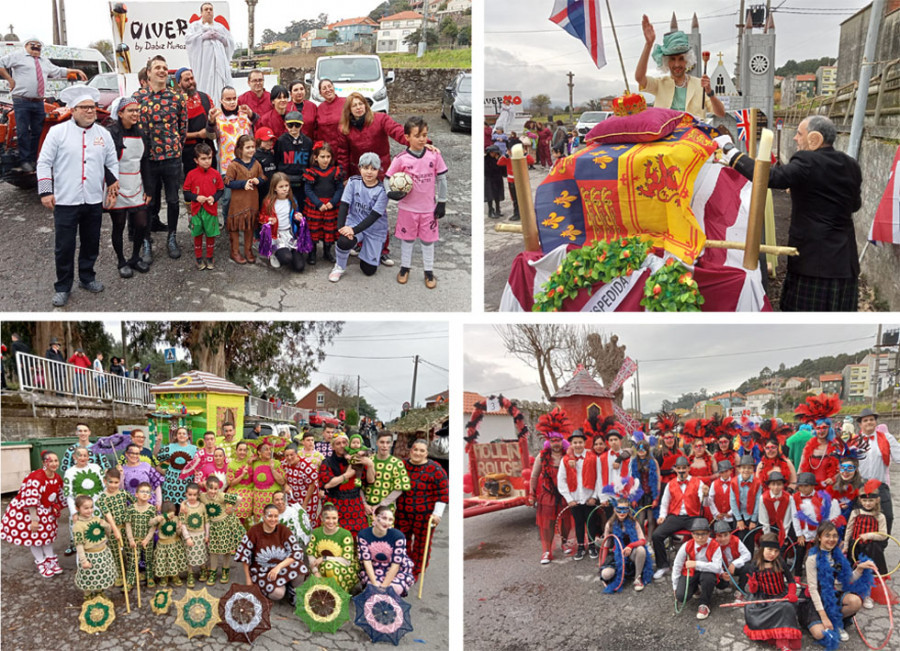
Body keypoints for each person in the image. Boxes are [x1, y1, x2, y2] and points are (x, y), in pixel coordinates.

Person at [722, 115, 862, 311]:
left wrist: (731, 153)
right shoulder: (851, 165)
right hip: (845, 264)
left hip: (813, 264)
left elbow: (770, 178)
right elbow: (855, 205)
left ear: (815, 138)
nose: (795, 138)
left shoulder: (807, 160)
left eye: (799, 133)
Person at [37, 85, 118, 307]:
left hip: (92, 199)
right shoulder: (57, 132)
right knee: (64, 246)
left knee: (91, 242)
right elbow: (44, 163)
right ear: (73, 110)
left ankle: (87, 277)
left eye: (92, 107)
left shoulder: (103, 134)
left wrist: (112, 185)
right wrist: (46, 191)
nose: (90, 111)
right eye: (84, 108)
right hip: (66, 200)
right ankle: (63, 286)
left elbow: (111, 162)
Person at [0, 36, 86, 172]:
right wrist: (10, 80)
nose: (36, 47)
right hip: (22, 100)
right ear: (26, 45)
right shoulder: (18, 56)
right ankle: (24, 161)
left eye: (38, 45)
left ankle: (34, 159)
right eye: (32, 45)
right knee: (22, 131)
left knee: (38, 132)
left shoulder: (44, 61)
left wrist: (76, 71)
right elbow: (1, 64)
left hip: (39, 102)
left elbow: (58, 71)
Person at [134, 55, 187, 259]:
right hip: (147, 160)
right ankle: (146, 241)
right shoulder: (137, 98)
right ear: (148, 72)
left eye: (165, 67)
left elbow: (183, 128)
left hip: (172, 157)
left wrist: (175, 147)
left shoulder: (177, 98)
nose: (162, 71)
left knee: (173, 200)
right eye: (157, 67)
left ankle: (172, 237)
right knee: (148, 201)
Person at [386, 116, 448, 289]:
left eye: (425, 135)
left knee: (428, 241)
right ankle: (405, 268)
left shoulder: (434, 156)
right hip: (407, 209)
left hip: (428, 209)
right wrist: (390, 192)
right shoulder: (401, 159)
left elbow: (442, 179)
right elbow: (387, 178)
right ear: (407, 137)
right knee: (408, 240)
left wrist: (442, 202)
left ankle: (429, 271)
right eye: (417, 135)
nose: (422, 139)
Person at [800, 521, 876, 645]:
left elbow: (849, 579)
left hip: (832, 595)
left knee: (856, 601)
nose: (831, 539)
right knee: (820, 634)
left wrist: (860, 568)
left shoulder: (838, 555)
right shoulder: (812, 558)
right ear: (819, 537)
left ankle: (836, 621)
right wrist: (823, 616)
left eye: (834, 536)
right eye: (827, 535)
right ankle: (825, 620)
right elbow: (813, 589)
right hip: (815, 599)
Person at [634, 16, 725, 119]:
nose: (677, 64)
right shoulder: (660, 84)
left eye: (681, 59)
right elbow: (639, 78)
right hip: (665, 134)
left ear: (687, 60)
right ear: (667, 62)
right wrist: (648, 44)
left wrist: (710, 93)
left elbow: (721, 113)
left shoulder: (700, 85)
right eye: (672, 59)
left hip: (693, 134)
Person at [105, 96, 152, 278]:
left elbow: (145, 162)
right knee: (119, 224)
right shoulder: (111, 133)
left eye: (137, 111)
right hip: (117, 185)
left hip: (136, 184)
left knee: (141, 222)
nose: (135, 114)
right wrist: (110, 185)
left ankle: (135, 257)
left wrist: (148, 188)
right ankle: (121, 261)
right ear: (120, 113)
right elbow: (105, 163)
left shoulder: (141, 133)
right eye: (131, 111)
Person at [0, 451, 66, 578]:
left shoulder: (57, 477)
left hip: (46, 511)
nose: (54, 464)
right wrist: (34, 519)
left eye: (56, 461)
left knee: (47, 537)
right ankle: (41, 562)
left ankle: (50, 560)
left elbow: (59, 494)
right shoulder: (36, 478)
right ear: (44, 463)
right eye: (50, 461)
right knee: (35, 539)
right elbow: (31, 500)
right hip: (30, 512)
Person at [328, 152, 390, 283]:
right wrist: (342, 228)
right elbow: (344, 205)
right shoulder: (353, 182)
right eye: (366, 168)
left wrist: (353, 231)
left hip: (375, 228)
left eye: (373, 169)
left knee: (368, 270)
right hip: (355, 221)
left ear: (379, 170)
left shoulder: (383, 190)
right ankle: (339, 266)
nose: (369, 172)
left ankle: (365, 249)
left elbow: (374, 216)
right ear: (359, 168)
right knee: (344, 241)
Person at [396, 438, 448, 579]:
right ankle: (401, 568)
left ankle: (416, 572)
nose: (417, 453)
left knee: (421, 545)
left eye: (421, 450)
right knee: (401, 542)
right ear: (411, 450)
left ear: (426, 453)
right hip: (402, 513)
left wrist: (437, 514)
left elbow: (443, 493)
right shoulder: (401, 465)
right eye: (415, 449)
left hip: (425, 516)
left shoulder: (435, 469)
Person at [742, 533, 802, 651]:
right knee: (751, 611)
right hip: (763, 598)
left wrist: (791, 593)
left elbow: (791, 581)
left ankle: (782, 641)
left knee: (786, 607)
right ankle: (776, 636)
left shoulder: (780, 562)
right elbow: (753, 591)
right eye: (770, 550)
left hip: (781, 595)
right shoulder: (754, 565)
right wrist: (753, 585)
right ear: (762, 548)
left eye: (776, 551)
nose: (773, 554)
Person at [236, 503, 308, 601]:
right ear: (264, 517)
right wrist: (248, 580)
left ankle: (293, 590)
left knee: (301, 567)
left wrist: (278, 567)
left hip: (280, 567)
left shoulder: (283, 530)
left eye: (276, 516)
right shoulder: (254, 531)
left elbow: (296, 551)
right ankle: (279, 586)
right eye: (270, 516)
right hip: (262, 571)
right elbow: (244, 555)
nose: (273, 519)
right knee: (278, 594)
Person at [652, 455, 707, 579]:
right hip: (675, 516)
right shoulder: (670, 484)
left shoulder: (698, 482)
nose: (681, 470)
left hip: (693, 516)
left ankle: (699, 565)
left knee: (702, 535)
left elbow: (704, 502)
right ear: (675, 469)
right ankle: (663, 565)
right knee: (656, 535)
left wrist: (705, 494)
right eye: (679, 468)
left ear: (688, 468)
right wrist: (662, 516)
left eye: (684, 468)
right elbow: (665, 502)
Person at [855, 407, 900, 535]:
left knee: (888, 517)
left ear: (875, 422)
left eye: (871, 420)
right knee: (858, 518)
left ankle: (881, 545)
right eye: (865, 420)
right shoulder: (855, 441)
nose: (869, 422)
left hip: (880, 485)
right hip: (861, 486)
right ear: (860, 424)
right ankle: (858, 548)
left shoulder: (887, 438)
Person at [319, 433, 373, 537]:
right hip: (335, 504)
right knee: (333, 536)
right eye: (338, 443)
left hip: (355, 504)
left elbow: (369, 481)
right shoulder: (327, 462)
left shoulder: (357, 459)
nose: (342, 445)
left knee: (358, 536)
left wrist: (370, 465)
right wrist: (347, 475)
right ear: (333, 447)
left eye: (344, 442)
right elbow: (326, 485)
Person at [182, 141, 225, 271]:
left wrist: (214, 198)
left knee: (210, 235)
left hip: (211, 210)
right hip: (196, 211)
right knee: (198, 235)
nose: (207, 161)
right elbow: (186, 192)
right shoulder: (191, 174)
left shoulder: (216, 174)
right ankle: (199, 257)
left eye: (209, 158)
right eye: (203, 159)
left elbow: (220, 190)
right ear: (196, 160)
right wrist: (196, 197)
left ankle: (210, 257)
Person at [224, 134, 265, 265]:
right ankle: (234, 251)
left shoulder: (256, 163)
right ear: (240, 149)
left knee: (250, 226)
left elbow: (264, 177)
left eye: (253, 147)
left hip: (252, 202)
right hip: (238, 202)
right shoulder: (234, 165)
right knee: (235, 226)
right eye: (248, 147)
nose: (251, 150)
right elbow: (227, 182)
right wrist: (243, 184)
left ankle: (248, 250)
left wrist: (258, 180)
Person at [357, 505, 416, 596]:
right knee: (372, 589)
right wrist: (375, 585)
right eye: (384, 518)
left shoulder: (398, 536)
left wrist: (384, 586)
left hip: (396, 569)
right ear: (374, 517)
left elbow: (396, 565)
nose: (387, 523)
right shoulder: (363, 535)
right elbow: (367, 562)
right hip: (374, 567)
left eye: (390, 520)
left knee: (392, 589)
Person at [599, 495, 654, 592]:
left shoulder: (634, 522)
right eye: (619, 509)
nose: (622, 513)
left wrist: (630, 546)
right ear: (615, 510)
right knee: (606, 575)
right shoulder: (610, 524)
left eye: (625, 509)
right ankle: (620, 573)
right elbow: (606, 546)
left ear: (629, 510)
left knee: (641, 550)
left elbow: (642, 540)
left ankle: (637, 578)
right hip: (617, 556)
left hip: (632, 554)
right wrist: (602, 564)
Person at [184, 2, 234, 103]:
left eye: (211, 9)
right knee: (205, 84)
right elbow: (188, 40)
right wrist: (202, 37)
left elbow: (230, 43)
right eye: (206, 9)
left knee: (220, 85)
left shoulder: (220, 27)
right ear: (201, 12)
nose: (209, 11)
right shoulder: (195, 26)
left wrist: (220, 37)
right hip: (204, 64)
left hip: (219, 64)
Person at [303, 141, 343, 265]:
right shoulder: (311, 172)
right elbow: (308, 189)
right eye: (322, 157)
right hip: (316, 206)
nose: (325, 160)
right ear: (315, 157)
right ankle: (312, 253)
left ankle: (327, 252)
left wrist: (333, 202)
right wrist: (318, 203)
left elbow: (340, 188)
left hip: (330, 205)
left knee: (329, 229)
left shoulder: (335, 171)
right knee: (314, 230)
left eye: (328, 156)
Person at [672, 518, 721, 620]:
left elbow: (717, 567)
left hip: (707, 572)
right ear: (692, 534)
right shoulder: (686, 545)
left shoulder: (715, 545)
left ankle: (704, 604)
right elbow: (677, 565)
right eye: (696, 534)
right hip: (691, 572)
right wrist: (675, 586)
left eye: (703, 534)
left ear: (708, 534)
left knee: (708, 578)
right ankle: (695, 589)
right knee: (681, 596)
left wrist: (696, 564)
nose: (700, 537)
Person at [72, 495, 118, 600]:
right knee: (89, 576)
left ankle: (99, 592)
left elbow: (108, 533)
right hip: (90, 555)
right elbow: (79, 544)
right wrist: (84, 561)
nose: (89, 510)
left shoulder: (97, 519)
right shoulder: (78, 526)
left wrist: (106, 526)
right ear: (77, 509)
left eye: (91, 507)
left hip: (102, 553)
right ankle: (87, 594)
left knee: (101, 574)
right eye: (86, 508)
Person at [94, 468, 134, 589]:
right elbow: (108, 515)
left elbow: (135, 504)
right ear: (105, 481)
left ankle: (131, 578)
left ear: (120, 482)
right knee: (116, 553)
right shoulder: (102, 499)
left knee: (130, 552)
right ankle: (120, 574)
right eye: (110, 482)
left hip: (126, 529)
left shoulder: (123, 493)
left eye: (116, 482)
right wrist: (115, 530)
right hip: (112, 530)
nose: (113, 485)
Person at [307, 502, 359, 593]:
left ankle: (336, 592)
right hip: (320, 568)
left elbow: (346, 561)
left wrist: (325, 558)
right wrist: (315, 571)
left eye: (334, 518)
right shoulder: (316, 532)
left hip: (343, 570)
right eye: (327, 518)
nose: (331, 522)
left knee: (329, 567)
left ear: (338, 518)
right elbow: (311, 553)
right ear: (321, 518)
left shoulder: (345, 534)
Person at [201, 475, 244, 584]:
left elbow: (239, 499)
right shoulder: (202, 496)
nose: (213, 491)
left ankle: (226, 571)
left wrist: (232, 509)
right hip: (212, 526)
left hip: (224, 524)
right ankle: (213, 572)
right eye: (210, 488)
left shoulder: (221, 496)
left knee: (226, 549)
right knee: (213, 550)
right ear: (206, 487)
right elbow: (191, 499)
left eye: (216, 489)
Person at [176, 67, 216, 175]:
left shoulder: (205, 97)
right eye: (186, 80)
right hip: (189, 154)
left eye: (192, 78)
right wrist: (198, 134)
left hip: (209, 149)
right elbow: (175, 133)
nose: (191, 82)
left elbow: (214, 120)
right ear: (179, 83)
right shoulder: (176, 102)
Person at [364, 430, 411, 517]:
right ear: (377, 442)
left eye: (387, 442)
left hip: (387, 510)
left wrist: (381, 505)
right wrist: (364, 504)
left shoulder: (397, 463)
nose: (385, 446)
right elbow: (359, 485)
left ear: (392, 443)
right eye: (382, 442)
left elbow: (399, 488)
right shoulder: (367, 460)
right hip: (366, 509)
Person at [274, 111, 313, 207]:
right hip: (285, 180)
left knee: (301, 205)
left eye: (297, 125)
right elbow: (276, 159)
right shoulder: (281, 141)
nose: (294, 128)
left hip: (302, 180)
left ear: (302, 125)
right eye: (290, 125)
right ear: (285, 125)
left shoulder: (308, 142)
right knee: (286, 206)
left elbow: (309, 162)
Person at [124, 482, 157, 587]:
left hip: (147, 540)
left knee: (148, 559)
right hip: (134, 540)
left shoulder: (151, 509)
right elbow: (128, 524)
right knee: (134, 560)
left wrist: (147, 539)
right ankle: (130, 581)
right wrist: (130, 539)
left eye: (147, 492)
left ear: (150, 496)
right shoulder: (131, 509)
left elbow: (153, 526)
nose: (145, 494)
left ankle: (150, 577)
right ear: (136, 494)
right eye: (142, 491)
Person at [156, 426, 198, 506]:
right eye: (179, 433)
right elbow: (156, 457)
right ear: (176, 436)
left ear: (188, 436)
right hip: (171, 483)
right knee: (170, 509)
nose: (181, 435)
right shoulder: (169, 447)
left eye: (184, 433)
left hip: (187, 483)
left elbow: (199, 465)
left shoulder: (195, 449)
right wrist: (158, 442)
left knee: (186, 508)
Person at [150, 500, 189, 587]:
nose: (172, 515)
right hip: (163, 544)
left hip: (174, 543)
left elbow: (178, 533)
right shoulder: (160, 519)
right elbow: (151, 523)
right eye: (169, 513)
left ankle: (175, 576)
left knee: (174, 561)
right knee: (164, 561)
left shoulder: (176, 519)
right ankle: (164, 577)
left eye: (173, 512)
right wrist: (160, 517)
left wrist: (179, 528)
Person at [178, 483, 208, 587]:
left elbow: (206, 521)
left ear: (198, 495)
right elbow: (182, 524)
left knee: (201, 554)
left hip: (200, 534)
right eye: (189, 494)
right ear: (186, 494)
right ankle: (190, 573)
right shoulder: (184, 507)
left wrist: (207, 535)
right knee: (189, 555)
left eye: (194, 495)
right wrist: (187, 537)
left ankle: (203, 569)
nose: (192, 497)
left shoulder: (202, 506)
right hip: (189, 535)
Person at [310, 79, 347, 163]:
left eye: (329, 86)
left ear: (333, 88)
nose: (328, 90)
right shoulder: (319, 108)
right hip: (326, 154)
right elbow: (316, 131)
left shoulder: (345, 103)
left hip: (343, 150)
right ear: (320, 93)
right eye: (324, 88)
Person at [732, 454, 762, 554]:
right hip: (739, 514)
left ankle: (749, 562)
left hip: (751, 515)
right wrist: (738, 519)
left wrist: (753, 520)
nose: (746, 470)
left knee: (750, 539)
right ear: (739, 469)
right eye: (744, 467)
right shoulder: (734, 482)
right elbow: (732, 501)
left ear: (753, 469)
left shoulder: (757, 483)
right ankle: (738, 561)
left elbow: (758, 503)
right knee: (739, 539)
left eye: (749, 468)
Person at [496, 147, 534, 222]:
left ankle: (524, 214)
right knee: (515, 199)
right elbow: (499, 163)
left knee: (523, 198)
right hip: (512, 181)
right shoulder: (508, 159)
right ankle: (517, 213)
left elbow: (532, 161)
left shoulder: (522, 159)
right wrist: (506, 155)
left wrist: (525, 154)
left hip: (521, 181)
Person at [714, 519, 752, 591]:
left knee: (748, 567)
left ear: (730, 534)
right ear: (716, 536)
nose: (723, 539)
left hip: (734, 567)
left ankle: (741, 589)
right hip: (721, 569)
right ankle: (723, 585)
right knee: (720, 584)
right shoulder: (713, 545)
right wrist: (721, 573)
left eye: (726, 535)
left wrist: (734, 564)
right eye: (720, 536)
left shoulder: (736, 540)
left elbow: (747, 555)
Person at [759, 471, 794, 548]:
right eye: (773, 484)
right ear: (769, 486)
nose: (776, 487)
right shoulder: (763, 498)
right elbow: (764, 520)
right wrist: (768, 537)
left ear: (782, 485)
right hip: (770, 525)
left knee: (782, 548)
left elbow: (787, 519)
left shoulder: (788, 498)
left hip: (783, 526)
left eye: (779, 484)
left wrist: (784, 536)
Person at [121, 443, 163, 508]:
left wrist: (159, 502)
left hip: (149, 503)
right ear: (126, 454)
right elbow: (121, 489)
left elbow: (157, 483)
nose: (134, 456)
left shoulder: (146, 466)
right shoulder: (122, 469)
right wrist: (120, 475)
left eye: (137, 453)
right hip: (131, 505)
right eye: (132, 453)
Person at [226, 440, 256, 527]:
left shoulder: (251, 461)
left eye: (244, 450)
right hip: (236, 490)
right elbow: (231, 483)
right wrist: (242, 475)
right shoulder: (232, 464)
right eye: (240, 450)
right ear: (236, 451)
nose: (242, 452)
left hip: (249, 491)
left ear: (247, 451)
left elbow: (261, 456)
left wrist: (254, 458)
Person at [253, 127, 278, 205]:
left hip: (272, 189)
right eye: (266, 140)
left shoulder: (272, 153)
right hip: (261, 190)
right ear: (258, 141)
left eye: (270, 140)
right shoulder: (255, 155)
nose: (269, 143)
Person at [484, 145, 505, 219]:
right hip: (490, 179)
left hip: (498, 179)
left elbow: (504, 171)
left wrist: (499, 161)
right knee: (490, 195)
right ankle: (490, 210)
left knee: (497, 194)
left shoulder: (499, 158)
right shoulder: (485, 160)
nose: (496, 154)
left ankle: (498, 210)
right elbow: (487, 171)